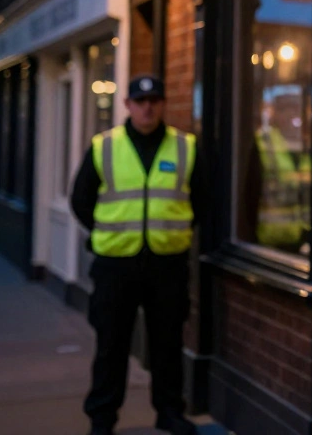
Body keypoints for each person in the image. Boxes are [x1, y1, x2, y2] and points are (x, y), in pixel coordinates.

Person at [70, 75, 204, 435]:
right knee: (111, 344)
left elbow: (203, 201)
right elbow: (80, 200)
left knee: (168, 344)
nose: (148, 107)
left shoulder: (185, 147)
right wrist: (105, 233)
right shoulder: (104, 147)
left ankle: (170, 412)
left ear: (162, 105)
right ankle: (102, 417)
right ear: (127, 105)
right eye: (141, 101)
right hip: (116, 265)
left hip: (167, 264)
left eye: (154, 100)